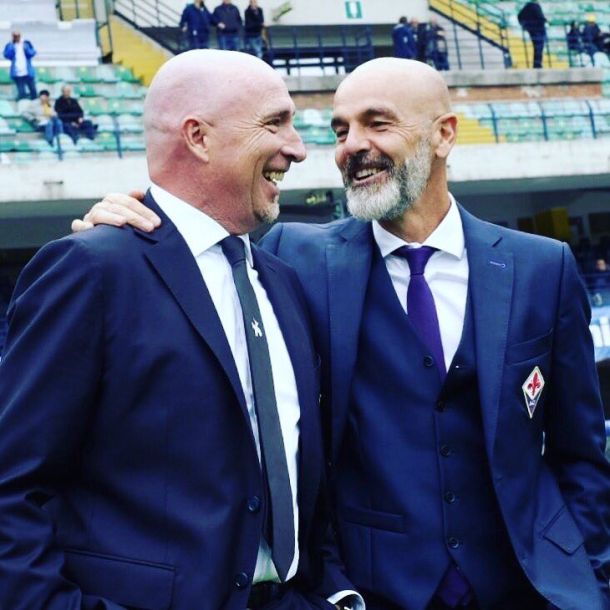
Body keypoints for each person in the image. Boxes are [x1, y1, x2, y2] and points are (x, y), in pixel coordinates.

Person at [76, 58, 610, 610]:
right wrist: (122, 226)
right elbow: (186, 258)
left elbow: (581, 454)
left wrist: (590, 578)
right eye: (340, 131)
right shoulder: (290, 258)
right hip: (368, 592)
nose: (352, 146)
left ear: (444, 134)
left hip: (526, 588)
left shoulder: (542, 267)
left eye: (377, 123)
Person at [0, 50, 361, 610]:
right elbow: (13, 485)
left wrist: (333, 594)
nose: (297, 148)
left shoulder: (284, 283)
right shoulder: (91, 269)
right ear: (198, 137)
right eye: (274, 123)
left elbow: (304, 477)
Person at [2, 31, 37, 101]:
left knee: (33, 91)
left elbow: (32, 53)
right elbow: (7, 55)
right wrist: (12, 45)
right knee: (22, 93)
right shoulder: (10, 45)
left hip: (27, 72)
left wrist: (25, 47)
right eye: (15, 36)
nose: (17, 38)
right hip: (17, 73)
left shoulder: (26, 44)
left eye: (18, 36)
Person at [517, 0, 547, 68]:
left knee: (537, 48)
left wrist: (525, 26)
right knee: (539, 48)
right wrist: (546, 21)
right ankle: (537, 64)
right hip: (538, 30)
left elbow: (519, 16)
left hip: (533, 30)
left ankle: (537, 64)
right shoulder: (535, 6)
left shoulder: (528, 6)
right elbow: (540, 17)